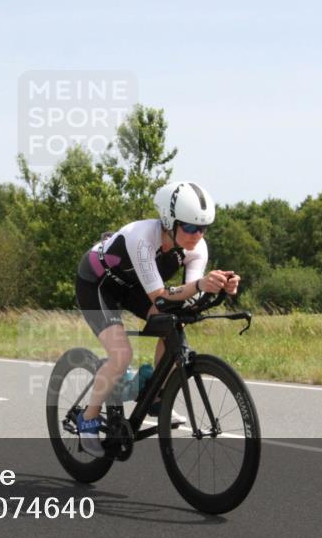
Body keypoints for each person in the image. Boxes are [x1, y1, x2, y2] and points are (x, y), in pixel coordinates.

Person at [74, 182, 240, 456]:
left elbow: (188, 301)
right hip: (99, 284)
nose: (197, 235)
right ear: (168, 221)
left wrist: (219, 288)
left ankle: (156, 395)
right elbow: (161, 297)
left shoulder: (197, 249)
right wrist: (200, 285)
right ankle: (88, 419)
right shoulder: (142, 238)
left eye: (203, 228)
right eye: (189, 227)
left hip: (135, 287)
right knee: (121, 356)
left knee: (175, 323)